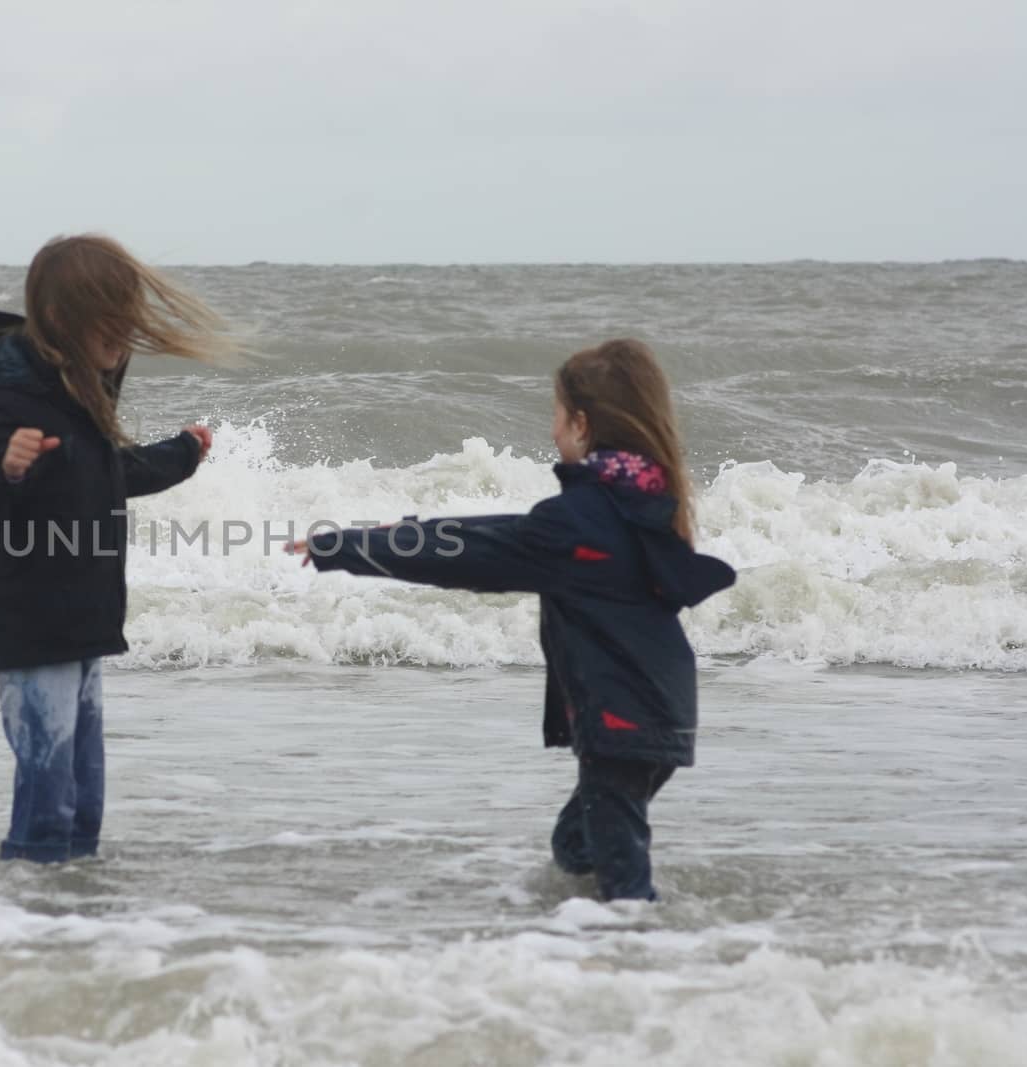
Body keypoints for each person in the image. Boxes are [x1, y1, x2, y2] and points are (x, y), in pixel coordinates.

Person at [293, 339, 735, 900]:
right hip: (662, 709)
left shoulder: (579, 522)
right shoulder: (642, 502)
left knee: (622, 877)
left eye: (555, 415)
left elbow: (474, 555)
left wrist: (344, 548)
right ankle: (606, 943)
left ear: (580, 423)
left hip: (622, 721)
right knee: (576, 847)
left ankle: (638, 958)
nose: (551, 432)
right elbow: (499, 532)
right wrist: (365, 539)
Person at [0, 234, 228, 863]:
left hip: (84, 627)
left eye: (130, 325)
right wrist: (6, 472)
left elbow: (110, 478)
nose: (124, 340)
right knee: (49, 812)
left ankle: (72, 944)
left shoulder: (81, 398)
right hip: (30, 627)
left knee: (84, 812)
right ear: (66, 321)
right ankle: (24, 937)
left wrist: (183, 453)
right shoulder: (13, 401)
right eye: (112, 326)